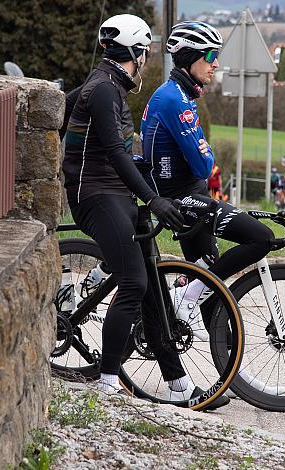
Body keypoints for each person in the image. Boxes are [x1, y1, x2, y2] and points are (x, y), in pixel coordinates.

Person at [62, 14, 222, 406]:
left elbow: (67, 110)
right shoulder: (104, 89)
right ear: (136, 53)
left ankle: (177, 384)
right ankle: (107, 381)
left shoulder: (107, 84)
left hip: (112, 190)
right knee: (134, 281)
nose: (146, 60)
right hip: (95, 195)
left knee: (149, 272)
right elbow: (114, 153)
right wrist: (153, 198)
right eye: (144, 54)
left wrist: (150, 184)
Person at [141, 21, 283, 396]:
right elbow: (205, 164)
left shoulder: (181, 94)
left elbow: (203, 161)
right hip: (181, 199)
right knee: (260, 237)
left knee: (212, 291)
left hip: (190, 194)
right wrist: (203, 155)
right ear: (189, 59)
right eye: (210, 57)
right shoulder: (173, 99)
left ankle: (228, 376)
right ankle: (186, 295)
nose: (215, 64)